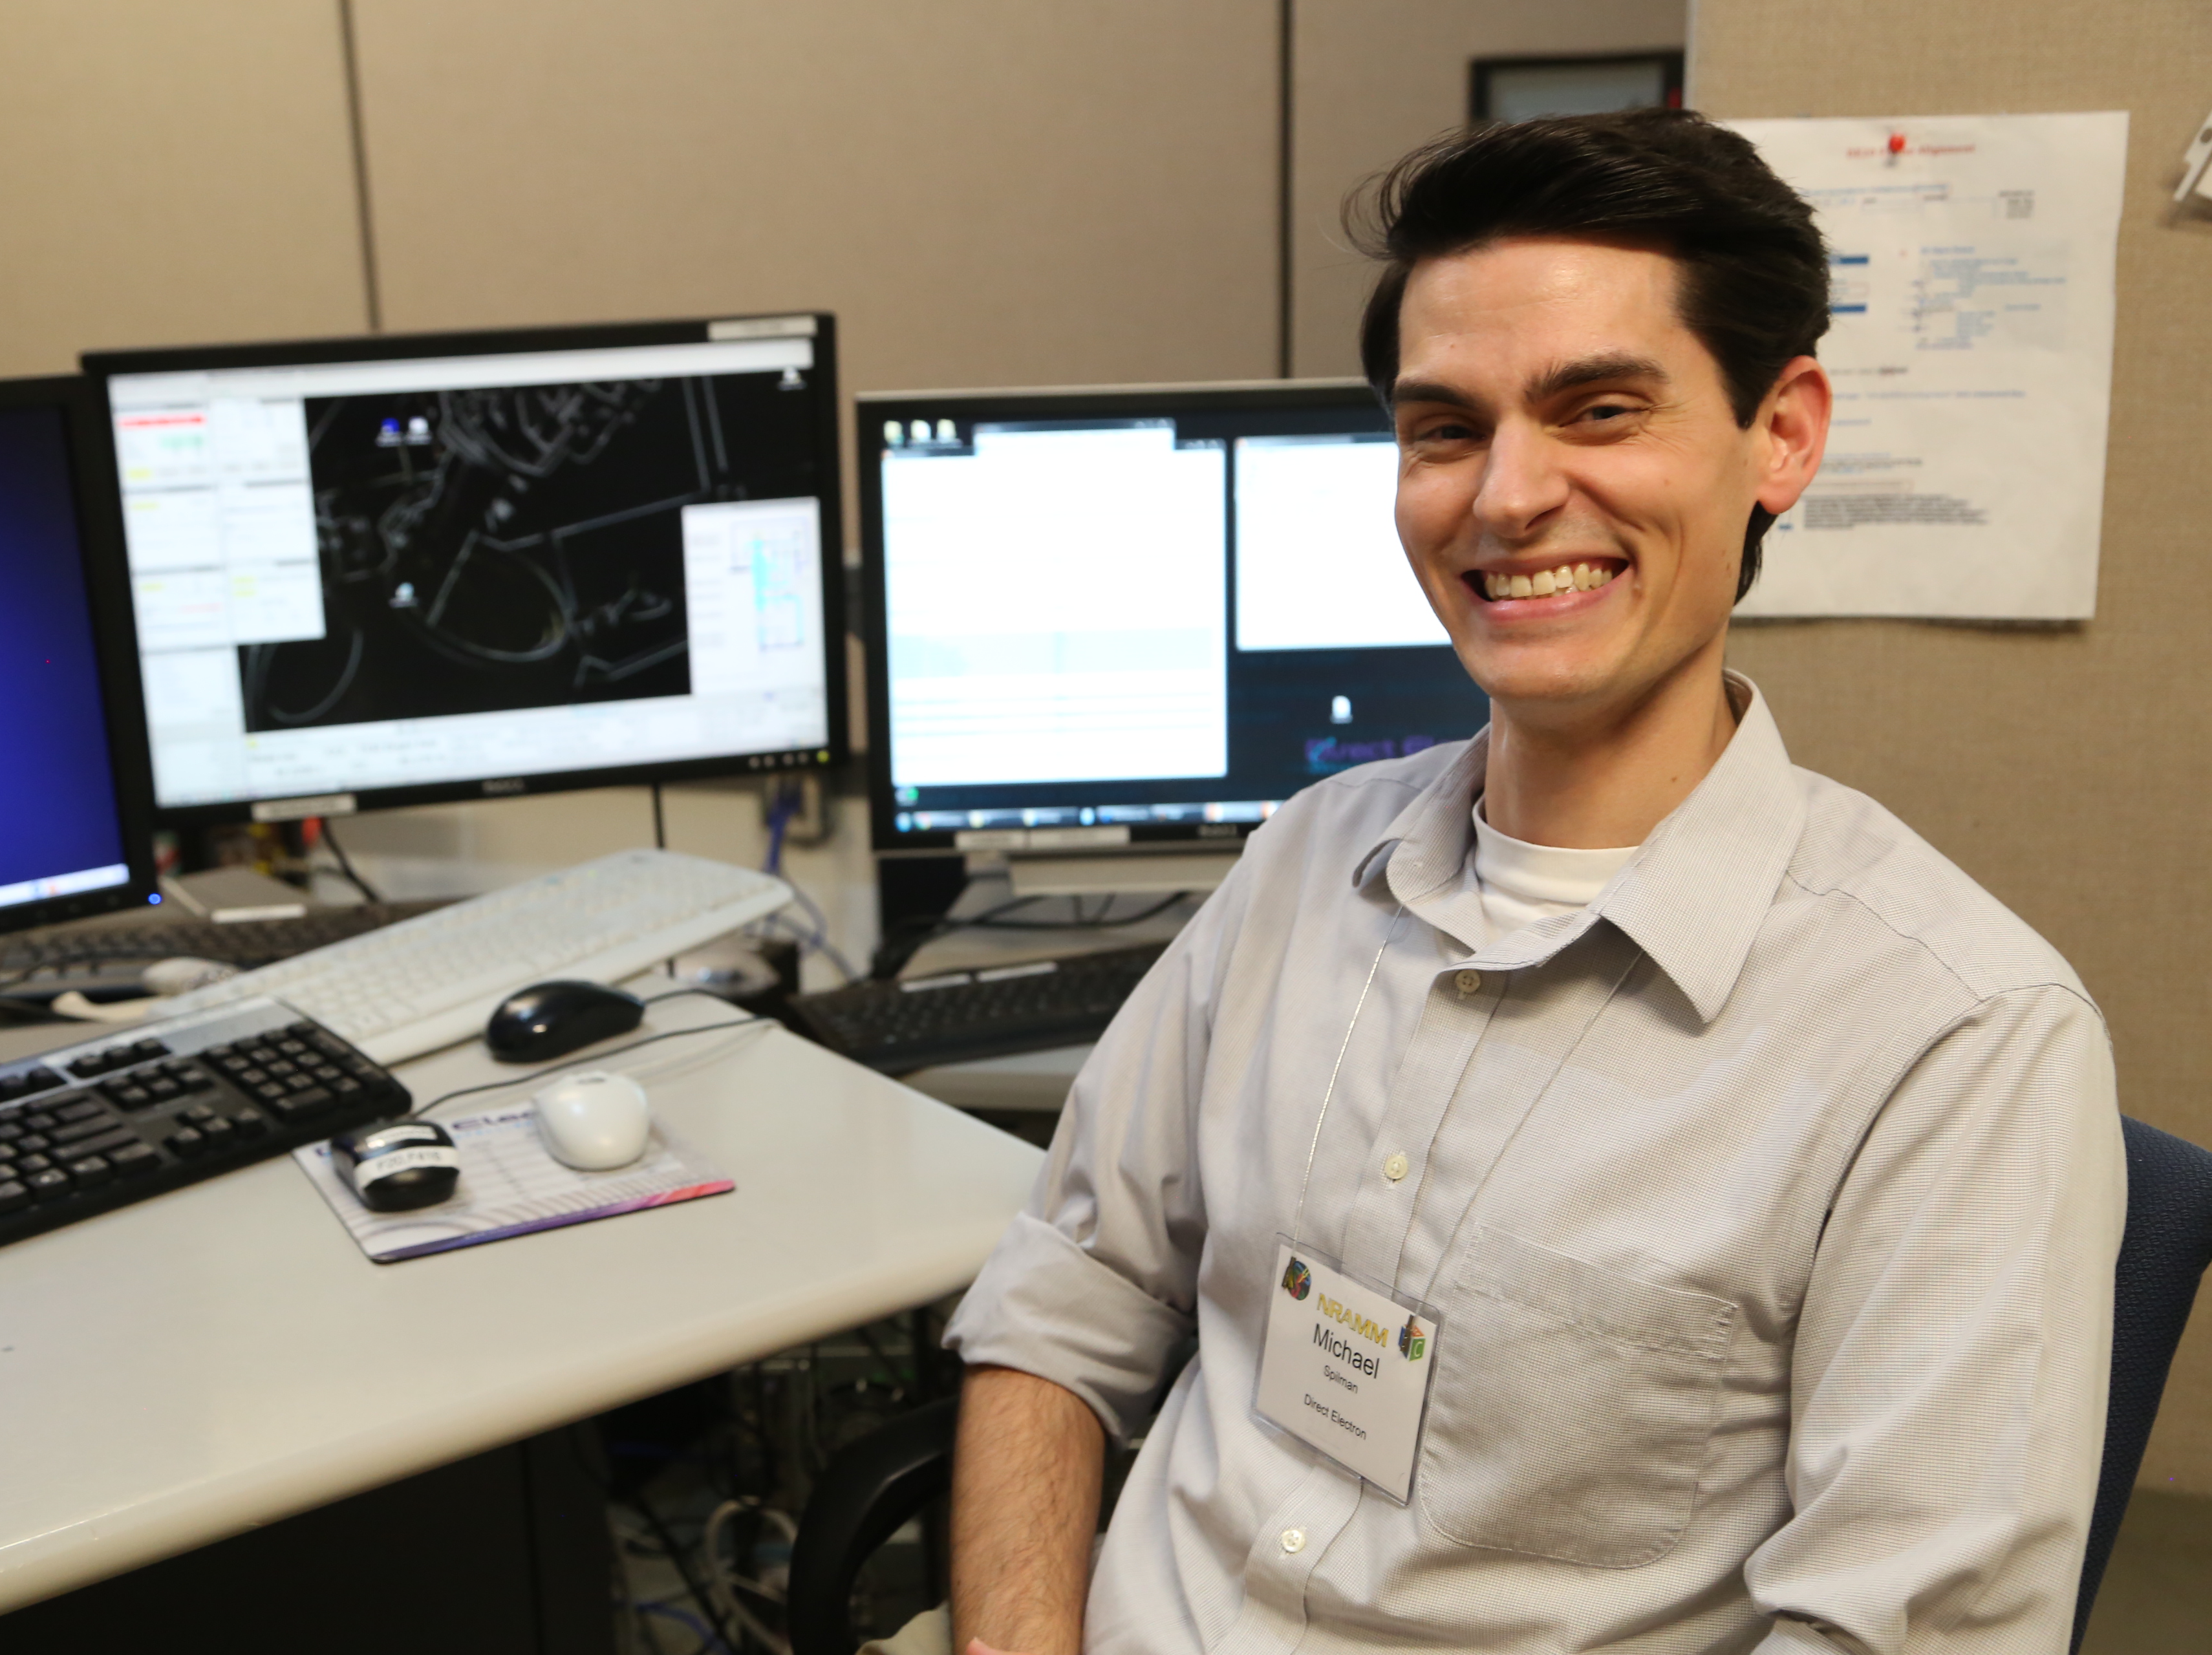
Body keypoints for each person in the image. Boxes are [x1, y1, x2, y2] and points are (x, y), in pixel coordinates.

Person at [907, 109, 2125, 1655]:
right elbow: (1067, 1288)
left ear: (1784, 434)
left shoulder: (1954, 1040)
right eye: (1445, 429)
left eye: (1600, 410)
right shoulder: (1305, 860)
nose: (1505, 496)